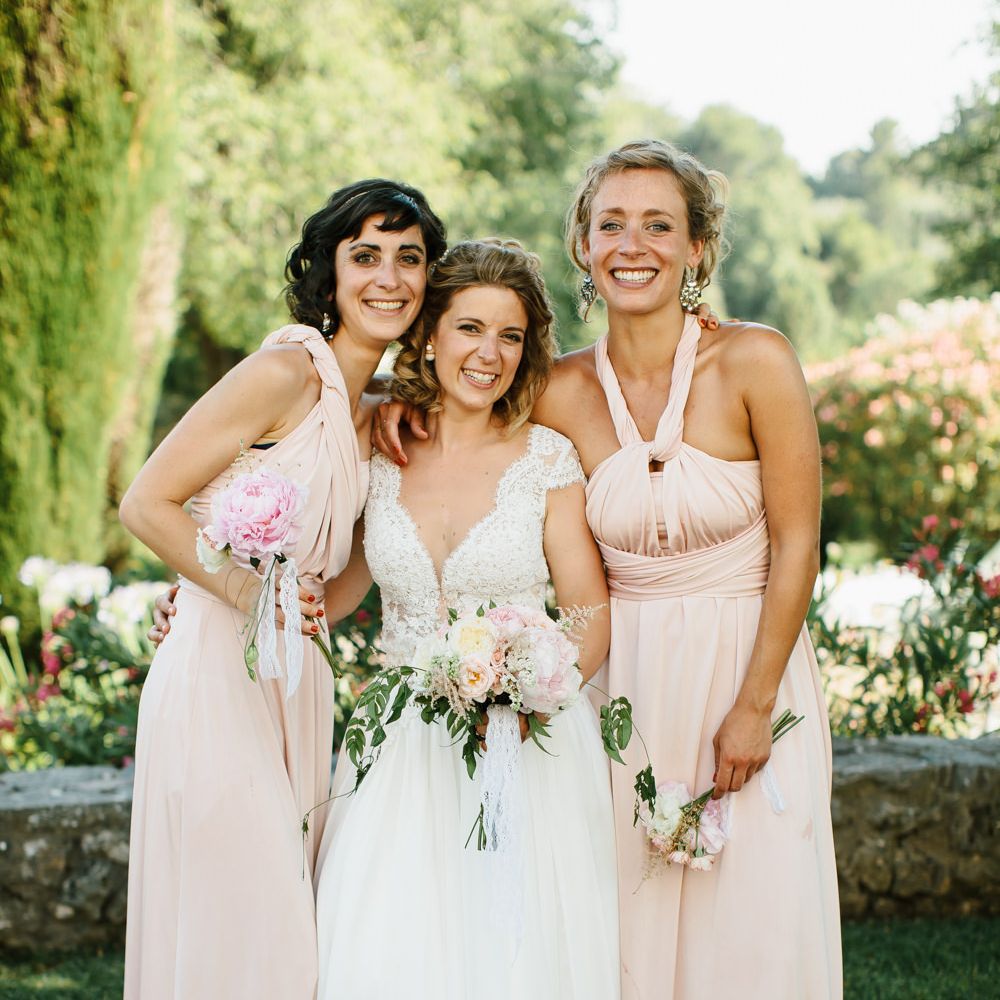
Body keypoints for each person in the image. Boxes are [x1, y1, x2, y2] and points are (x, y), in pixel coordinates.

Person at [378, 140, 842, 999]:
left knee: (759, 914)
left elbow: (799, 546)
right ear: (584, 248)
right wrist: (387, 415)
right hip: (621, 683)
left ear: (697, 246)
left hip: (749, 667)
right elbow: (461, 419)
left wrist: (752, 706)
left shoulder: (756, 361)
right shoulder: (556, 390)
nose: (635, 245)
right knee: (627, 916)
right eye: (612, 225)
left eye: (659, 225)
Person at [118, 179, 447, 1000]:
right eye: (364, 255)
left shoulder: (379, 418)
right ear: (328, 273)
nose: (389, 276)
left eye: (410, 258)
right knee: (247, 921)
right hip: (215, 677)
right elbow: (144, 503)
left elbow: (331, 597)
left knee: (289, 924)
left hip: (299, 684)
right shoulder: (282, 375)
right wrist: (237, 595)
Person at [313, 239, 620, 999]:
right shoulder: (381, 450)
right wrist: (224, 594)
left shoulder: (548, 459)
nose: (489, 354)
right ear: (430, 334)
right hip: (398, 743)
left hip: (527, 740)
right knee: (392, 944)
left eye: (510, 335)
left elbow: (589, 611)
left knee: (517, 953)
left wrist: (524, 695)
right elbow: (344, 589)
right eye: (470, 328)